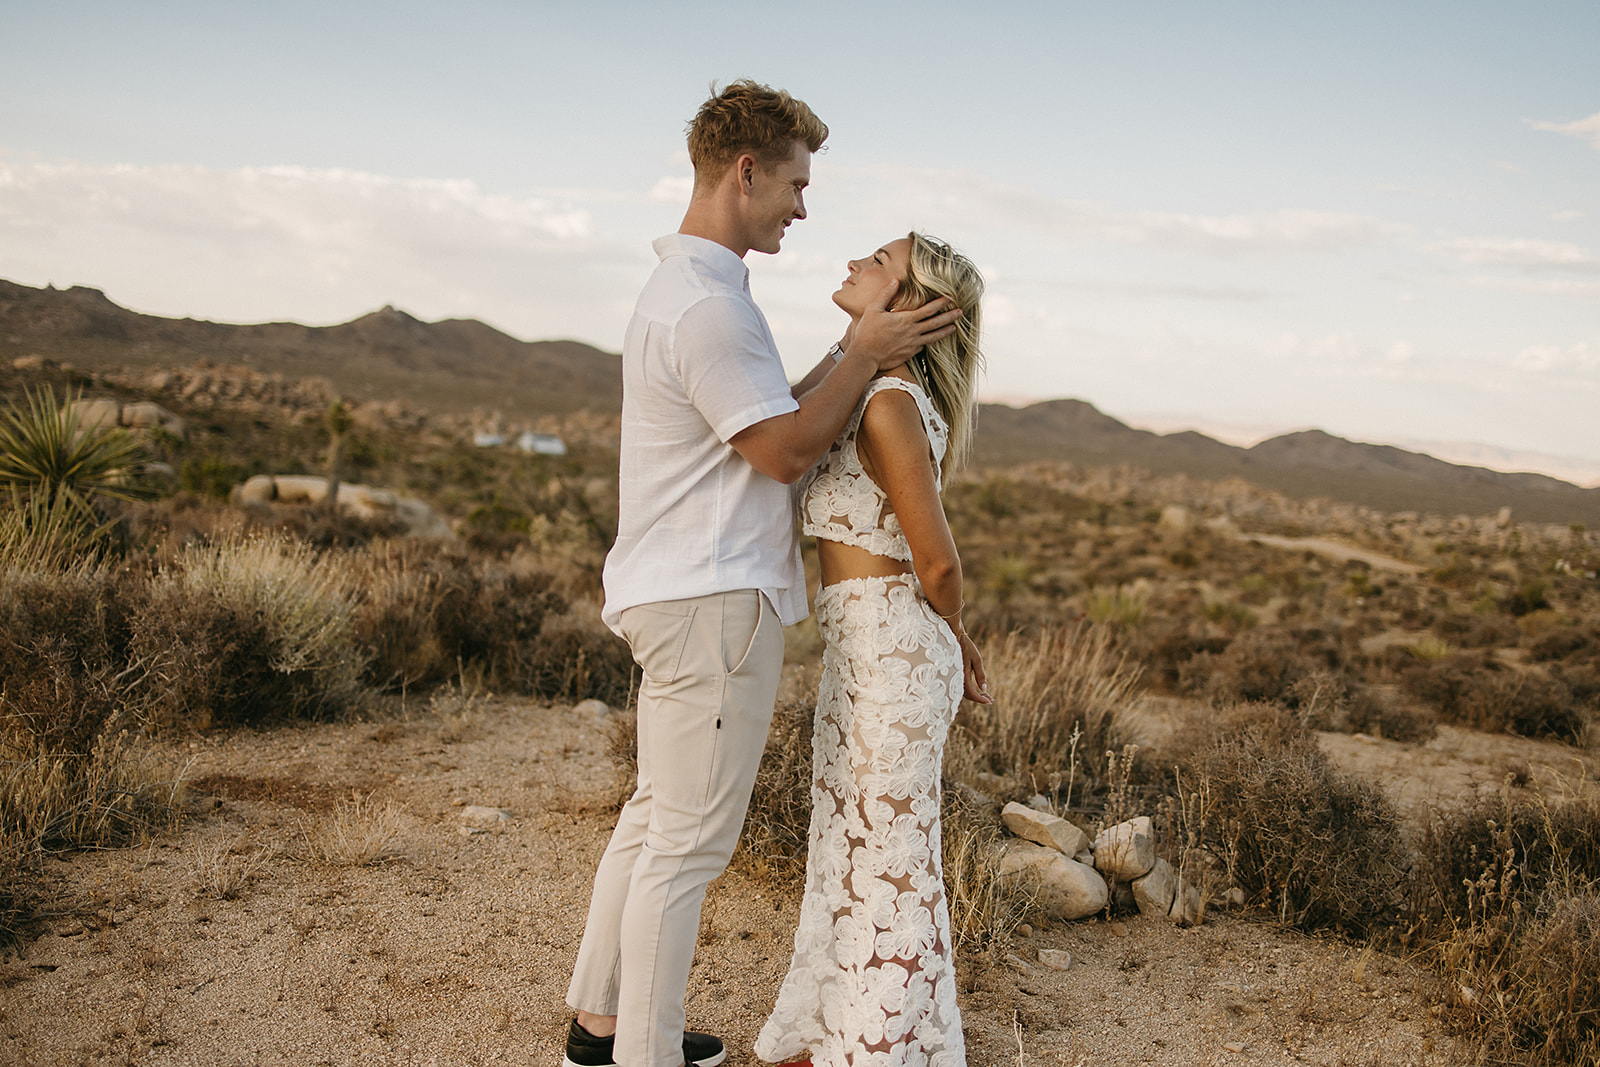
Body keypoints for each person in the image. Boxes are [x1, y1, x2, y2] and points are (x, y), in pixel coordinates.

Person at [561, 82, 963, 1067]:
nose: (802, 206)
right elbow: (782, 450)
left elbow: (775, 413)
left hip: (682, 590)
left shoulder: (698, 293)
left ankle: (597, 1023)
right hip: (712, 599)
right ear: (746, 172)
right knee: (688, 844)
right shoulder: (707, 306)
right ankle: (642, 1054)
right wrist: (864, 349)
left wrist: (852, 351)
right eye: (793, 181)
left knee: (656, 816)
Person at [755, 233, 989, 1067]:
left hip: (893, 652)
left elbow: (937, 561)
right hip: (862, 648)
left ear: (914, 303)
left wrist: (953, 637)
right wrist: (855, 339)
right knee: (845, 846)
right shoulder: (862, 385)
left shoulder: (888, 403)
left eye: (880, 259)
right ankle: (836, 1035)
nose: (855, 258)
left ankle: (886, 1050)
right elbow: (783, 413)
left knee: (890, 862)